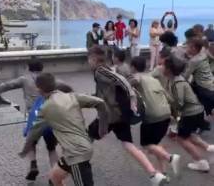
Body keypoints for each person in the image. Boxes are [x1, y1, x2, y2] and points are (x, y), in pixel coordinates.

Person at [0, 60, 72, 183]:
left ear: (28, 68)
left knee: (31, 143)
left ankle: (33, 164)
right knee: (51, 148)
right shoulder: (50, 81)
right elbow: (67, 87)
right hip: (49, 118)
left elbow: (6, 85)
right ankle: (55, 176)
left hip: (33, 118)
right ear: (42, 68)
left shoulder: (24, 79)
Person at [87, 46, 168, 186]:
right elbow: (113, 88)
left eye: (88, 59)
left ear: (93, 59)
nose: (88, 62)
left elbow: (121, 81)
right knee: (128, 144)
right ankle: (154, 175)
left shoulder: (100, 70)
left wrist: (131, 97)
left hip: (110, 115)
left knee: (86, 137)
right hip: (120, 115)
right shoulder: (108, 68)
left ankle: (74, 164)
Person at [19, 73, 109, 186]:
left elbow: (33, 133)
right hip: (76, 151)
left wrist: (24, 151)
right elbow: (100, 102)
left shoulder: (45, 108)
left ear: (38, 89)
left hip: (76, 154)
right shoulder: (71, 96)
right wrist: (103, 127)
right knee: (54, 177)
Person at [131, 56, 180, 177]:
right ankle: (163, 173)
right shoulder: (154, 79)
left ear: (133, 67)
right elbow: (168, 97)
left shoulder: (137, 78)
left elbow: (134, 81)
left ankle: (170, 157)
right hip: (166, 115)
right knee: (156, 145)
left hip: (152, 117)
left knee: (146, 145)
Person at [164, 56, 214, 172]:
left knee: (181, 138)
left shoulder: (177, 83)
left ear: (169, 69)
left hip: (191, 113)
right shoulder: (176, 79)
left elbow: (179, 103)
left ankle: (201, 162)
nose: (161, 67)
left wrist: (166, 98)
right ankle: (209, 148)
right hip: (196, 111)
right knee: (189, 134)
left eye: (164, 66)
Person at [183, 38, 214, 118]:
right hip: (210, 82)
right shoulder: (203, 54)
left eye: (187, 47)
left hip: (204, 87)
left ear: (193, 48)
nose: (186, 49)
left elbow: (185, 76)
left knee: (196, 100)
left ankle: (200, 120)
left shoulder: (194, 61)